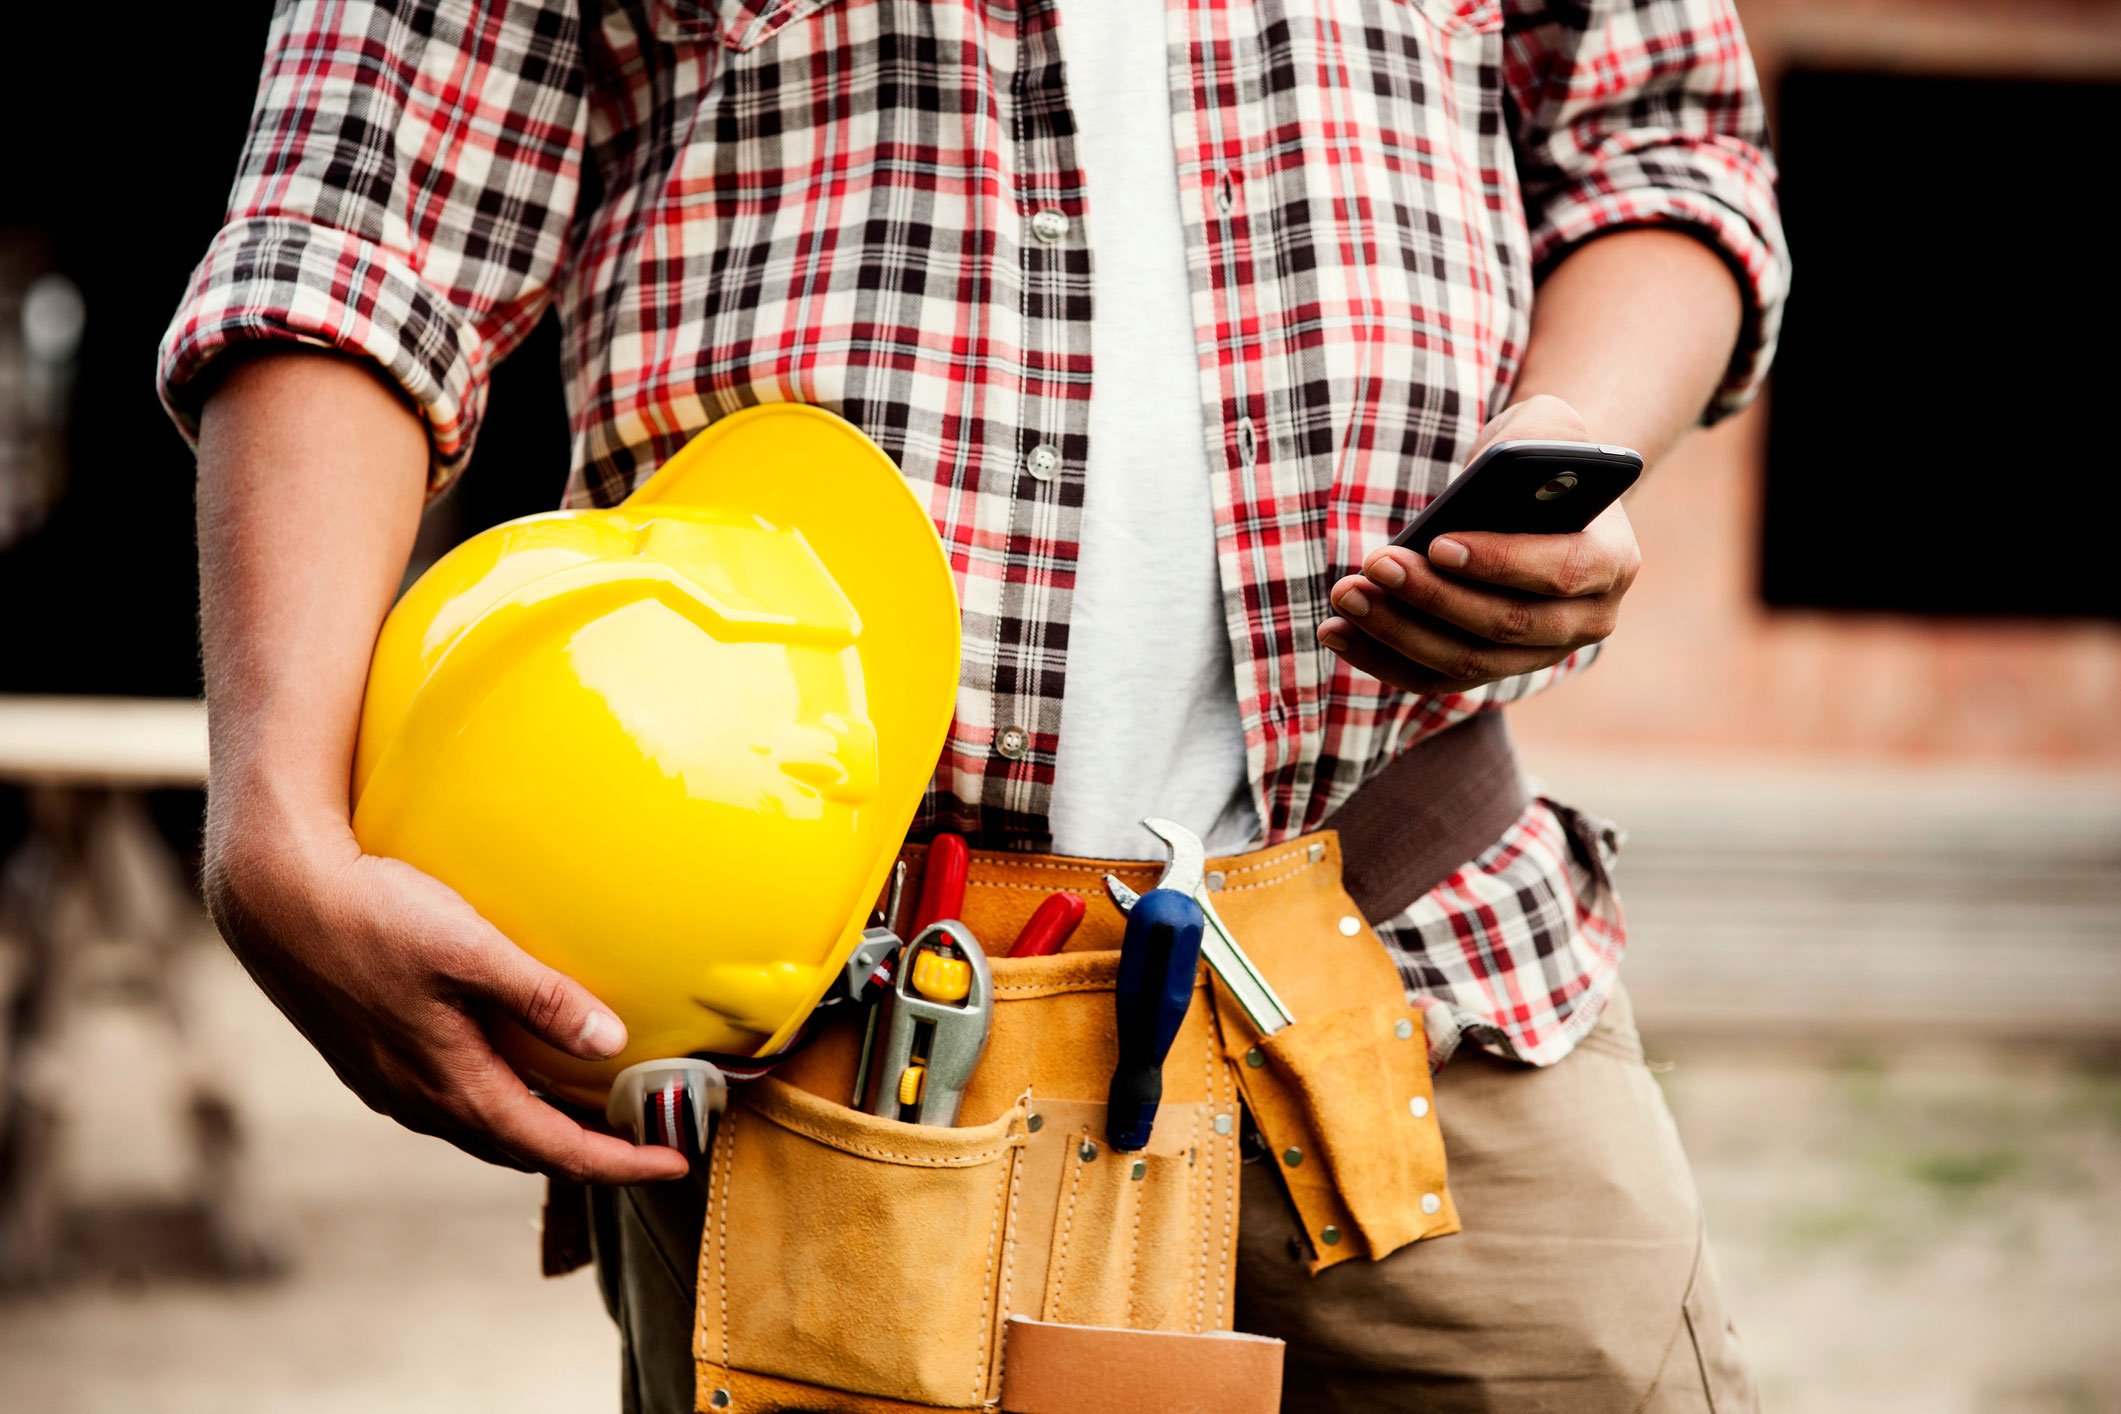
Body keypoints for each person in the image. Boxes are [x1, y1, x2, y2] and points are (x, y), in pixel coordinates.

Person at [160, 0, 1789, 1408]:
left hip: (1418, 958)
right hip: (807, 1033)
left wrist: (1577, 425)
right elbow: (358, 236)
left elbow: (1663, 150)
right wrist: (276, 818)